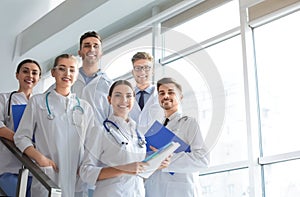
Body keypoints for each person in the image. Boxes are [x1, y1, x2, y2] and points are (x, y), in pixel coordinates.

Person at [14, 54, 95, 197]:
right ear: (53, 72)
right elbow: (21, 137)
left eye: (72, 70)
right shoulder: (37, 102)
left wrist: (86, 166)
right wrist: (40, 158)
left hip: (76, 176)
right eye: (62, 69)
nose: (67, 74)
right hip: (49, 173)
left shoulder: (85, 107)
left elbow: (92, 143)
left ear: (77, 74)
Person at [80, 80, 169, 197]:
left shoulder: (138, 134)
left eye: (128, 96)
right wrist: (122, 169)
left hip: (136, 193)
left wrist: (157, 163)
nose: (124, 100)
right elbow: (85, 171)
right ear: (109, 99)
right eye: (118, 95)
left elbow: (138, 170)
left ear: (134, 100)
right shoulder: (100, 131)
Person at [145, 77, 210, 197]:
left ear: (180, 97)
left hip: (180, 190)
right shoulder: (154, 129)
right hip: (154, 189)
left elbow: (203, 159)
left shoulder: (189, 123)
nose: (166, 96)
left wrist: (168, 159)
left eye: (171, 92)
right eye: (161, 93)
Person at [0, 59, 41, 197]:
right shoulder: (4, 99)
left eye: (34, 73)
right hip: (9, 166)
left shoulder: (40, 103)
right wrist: (20, 140)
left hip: (35, 169)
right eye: (25, 71)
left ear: (39, 78)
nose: (30, 75)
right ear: (17, 75)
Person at [73, 31, 112, 124]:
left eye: (96, 46)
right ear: (79, 52)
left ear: (101, 53)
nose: (91, 49)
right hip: (70, 136)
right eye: (87, 45)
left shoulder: (110, 86)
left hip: (98, 137)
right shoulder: (68, 80)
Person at [129, 52, 164, 134]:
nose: (142, 71)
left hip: (156, 144)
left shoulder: (162, 96)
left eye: (147, 68)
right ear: (132, 72)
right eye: (138, 68)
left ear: (152, 71)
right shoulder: (125, 97)